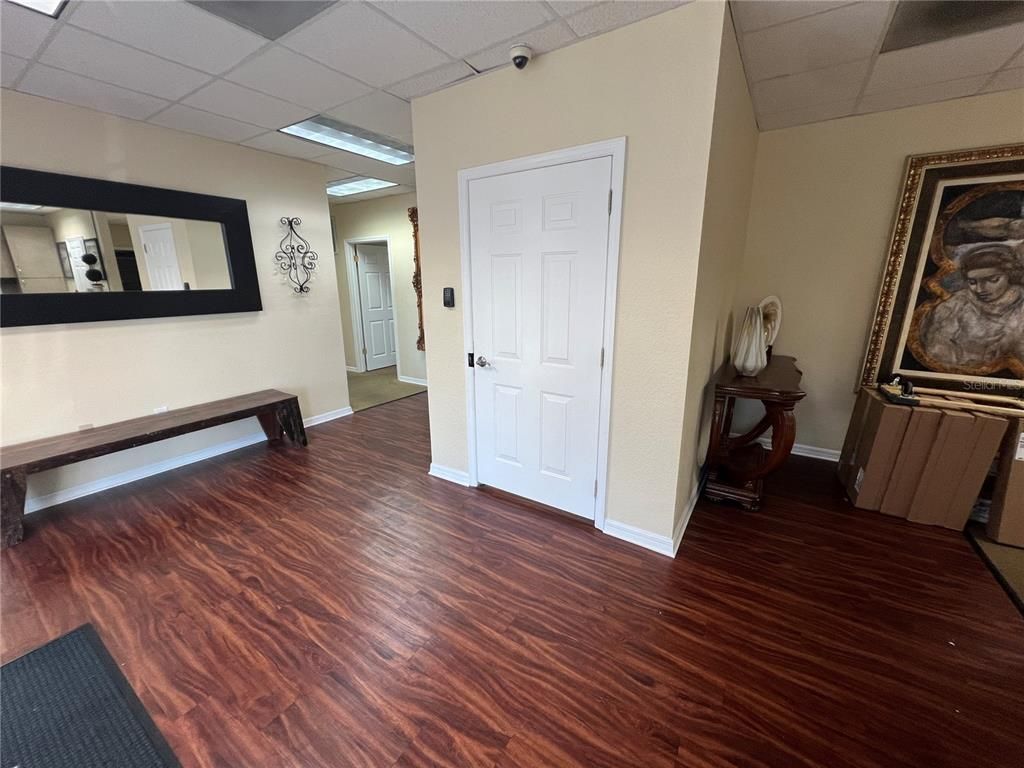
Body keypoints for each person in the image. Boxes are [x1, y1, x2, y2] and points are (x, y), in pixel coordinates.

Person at [915, 244, 1024, 373]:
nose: (980, 289)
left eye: (993, 280)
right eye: (972, 282)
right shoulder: (956, 304)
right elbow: (936, 346)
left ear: (1010, 276)